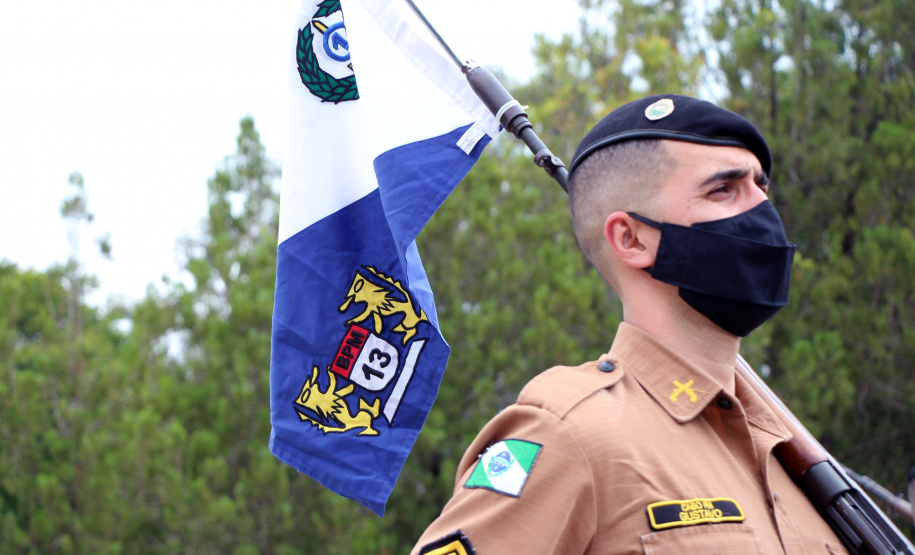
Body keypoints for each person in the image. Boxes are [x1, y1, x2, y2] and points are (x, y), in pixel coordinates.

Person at [411, 94, 849, 554]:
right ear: (632, 239)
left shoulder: (796, 466)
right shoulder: (569, 434)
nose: (762, 210)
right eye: (723, 189)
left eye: (761, 187)